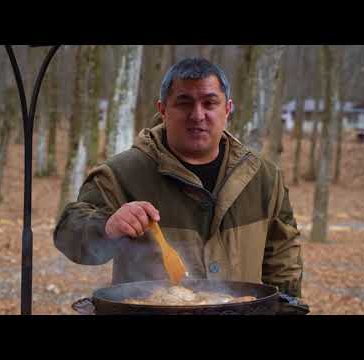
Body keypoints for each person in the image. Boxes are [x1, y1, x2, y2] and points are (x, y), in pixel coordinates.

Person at [54, 58, 304, 299]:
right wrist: (107, 225)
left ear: (227, 109)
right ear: (163, 109)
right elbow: (68, 232)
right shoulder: (122, 174)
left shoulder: (263, 177)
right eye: (184, 103)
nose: (197, 115)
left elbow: (283, 258)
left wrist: (287, 308)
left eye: (210, 103)